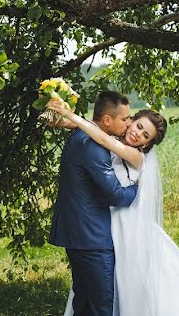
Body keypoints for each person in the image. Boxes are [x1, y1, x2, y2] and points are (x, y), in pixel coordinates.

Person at [47, 97, 179, 316]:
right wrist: (63, 122)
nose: (138, 133)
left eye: (145, 135)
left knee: (130, 284)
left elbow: (102, 137)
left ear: (146, 144)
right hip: (110, 225)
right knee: (107, 284)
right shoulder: (118, 137)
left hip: (129, 226)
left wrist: (71, 115)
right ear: (131, 122)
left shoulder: (135, 155)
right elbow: (101, 128)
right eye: (137, 125)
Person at [48, 90, 139, 316]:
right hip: (91, 237)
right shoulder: (93, 146)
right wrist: (139, 188)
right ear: (107, 120)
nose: (129, 124)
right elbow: (116, 195)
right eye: (125, 119)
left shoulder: (84, 135)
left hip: (78, 232)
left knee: (85, 301)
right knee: (102, 305)